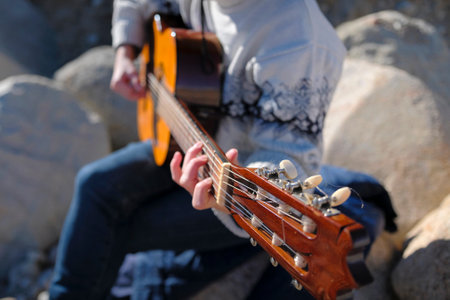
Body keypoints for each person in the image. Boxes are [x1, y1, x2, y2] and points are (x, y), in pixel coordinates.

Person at [49, 0, 394, 299]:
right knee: (94, 184)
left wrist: (223, 201)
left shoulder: (298, 41)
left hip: (231, 176)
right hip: (185, 137)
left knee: (114, 227)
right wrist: (127, 50)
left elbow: (284, 159)